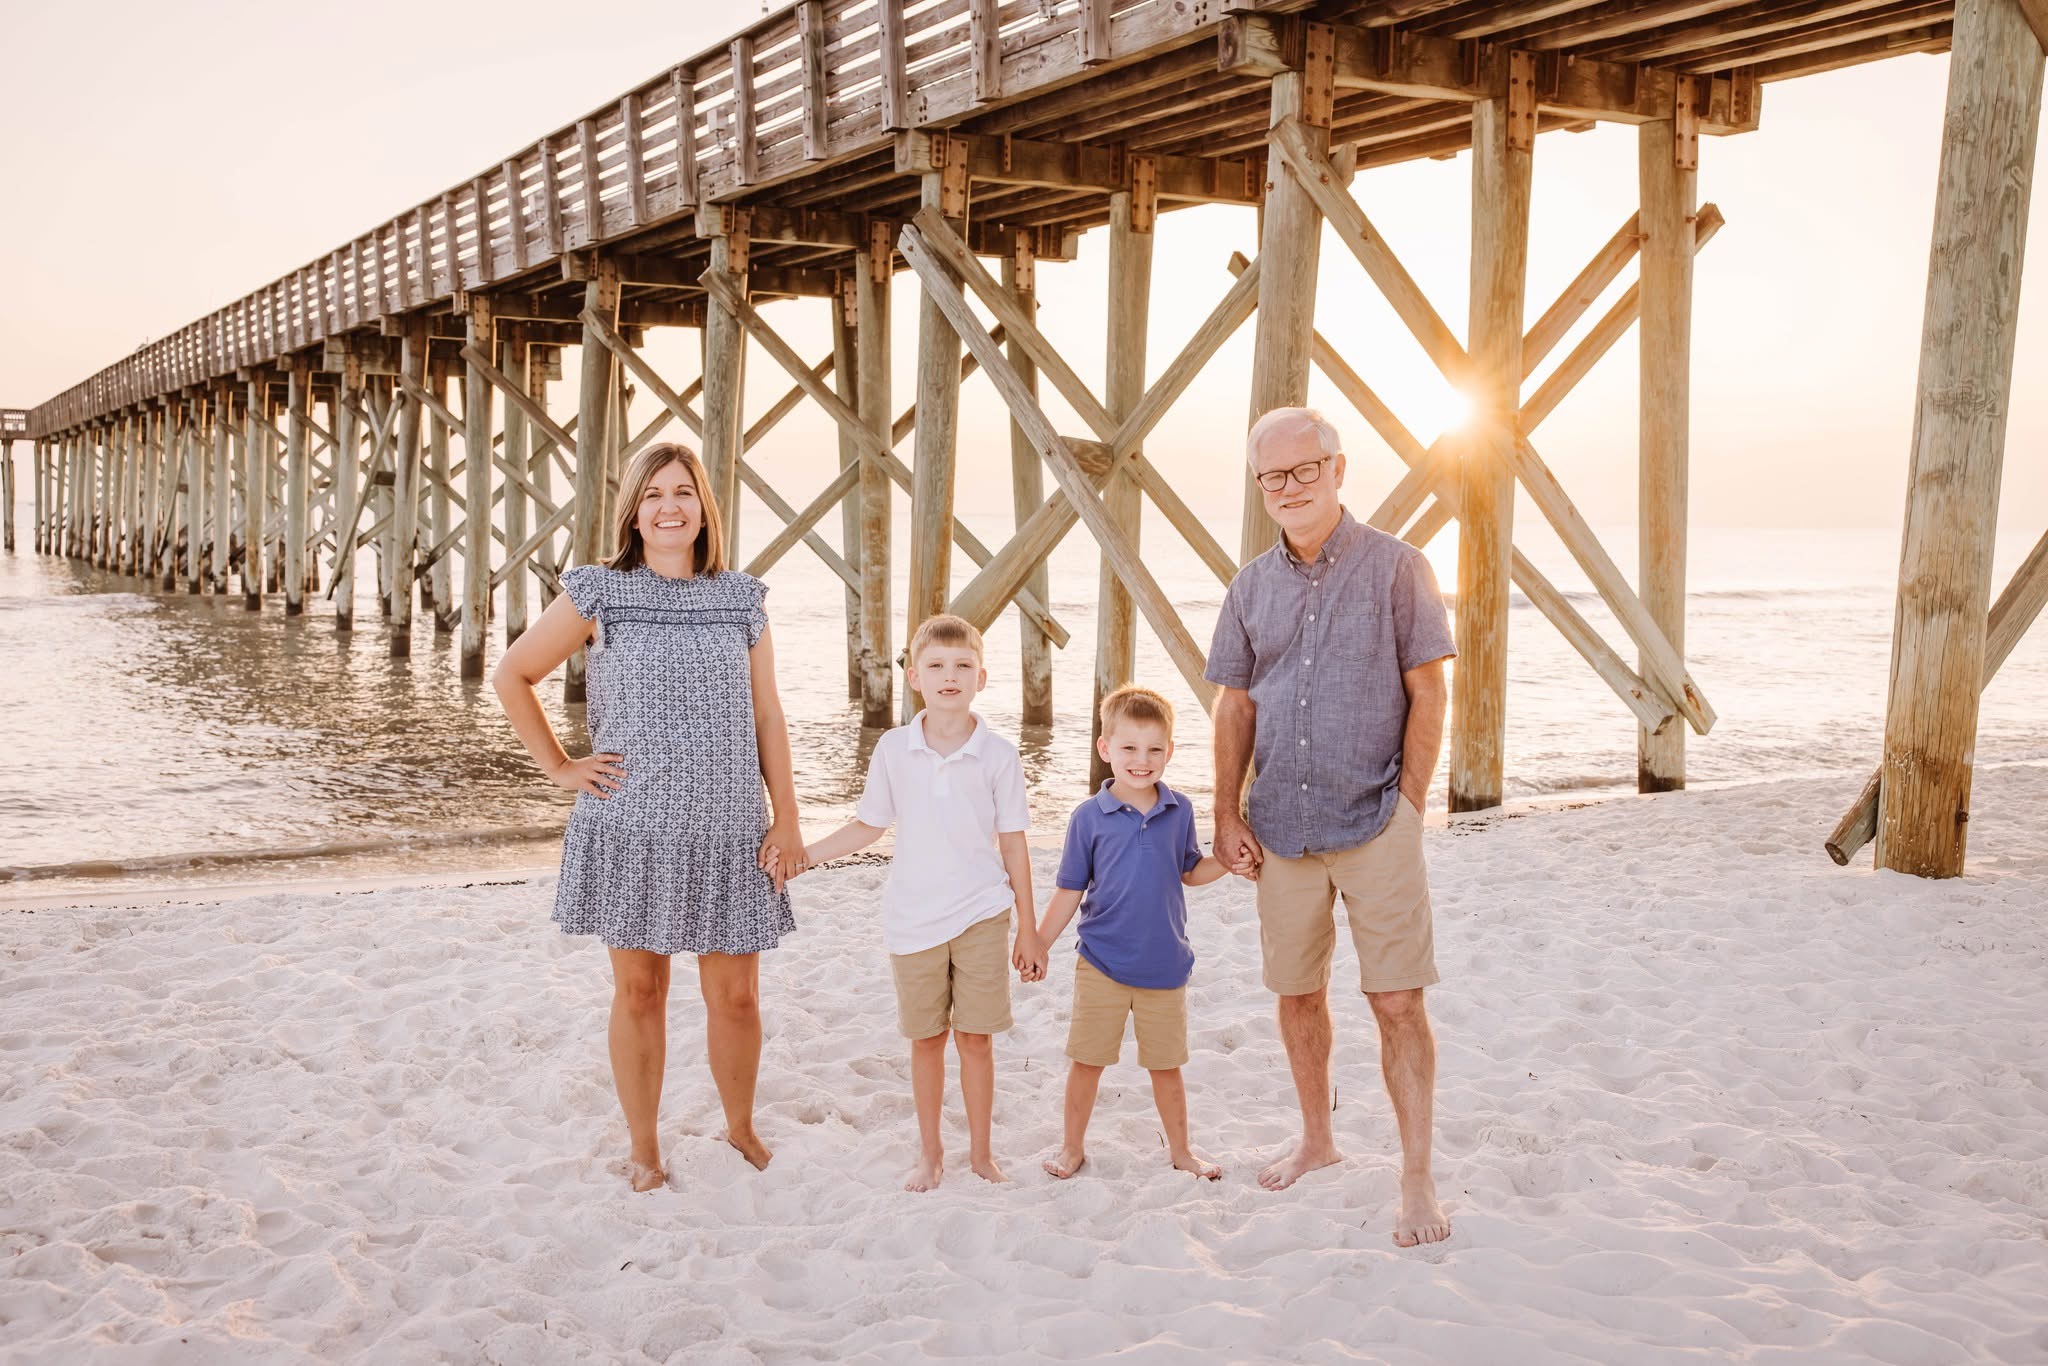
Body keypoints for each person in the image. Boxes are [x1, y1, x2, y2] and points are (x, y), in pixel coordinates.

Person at [492, 442, 803, 1193]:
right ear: (634, 508)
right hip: (631, 828)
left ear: (704, 509)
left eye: (685, 492)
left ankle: (739, 1127)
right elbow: (514, 674)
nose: (671, 506)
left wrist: (786, 816)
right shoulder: (601, 592)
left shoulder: (739, 599)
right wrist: (562, 767)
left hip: (731, 828)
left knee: (737, 996)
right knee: (641, 992)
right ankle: (644, 1146)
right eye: (656, 493)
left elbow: (766, 714)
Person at [1206, 406, 1457, 1247]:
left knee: (1395, 1001)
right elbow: (1235, 705)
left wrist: (1413, 806)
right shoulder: (1249, 586)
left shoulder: (1398, 568)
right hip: (1281, 825)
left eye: (1303, 470)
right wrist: (1224, 811)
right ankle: (1318, 1137)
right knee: (1297, 993)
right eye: (1271, 476)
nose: (1289, 488)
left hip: (1377, 814)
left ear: (1338, 469)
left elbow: (1429, 692)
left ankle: (1417, 1178)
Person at [803, 613, 1041, 1191]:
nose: (949, 676)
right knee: (927, 1040)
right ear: (914, 677)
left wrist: (1028, 930)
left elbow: (1013, 843)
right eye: (935, 666)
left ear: (982, 677)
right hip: (912, 919)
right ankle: (931, 1154)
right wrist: (806, 856)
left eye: (962, 666)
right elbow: (869, 826)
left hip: (983, 913)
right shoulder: (893, 748)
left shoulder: (998, 755)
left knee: (976, 1040)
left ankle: (981, 1155)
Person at [1031, 685, 1227, 1182]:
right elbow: (1068, 891)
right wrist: (1036, 941)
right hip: (1102, 962)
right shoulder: (1087, 818)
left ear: (1170, 751)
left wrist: (1226, 862)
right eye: (1130, 749)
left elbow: (1190, 871)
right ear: (1105, 749)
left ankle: (1181, 1151)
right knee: (1087, 1062)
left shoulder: (1179, 810)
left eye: (1154, 749)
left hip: (1166, 965)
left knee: (1167, 1067)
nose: (1142, 761)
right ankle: (1072, 1147)